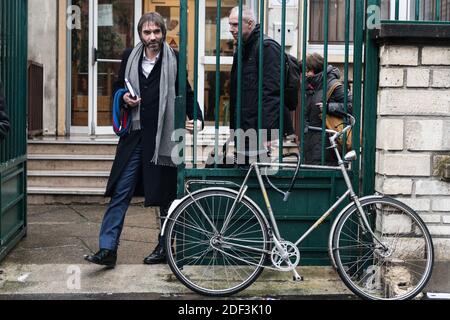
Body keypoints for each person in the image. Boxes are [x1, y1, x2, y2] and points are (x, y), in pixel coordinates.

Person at [84, 12, 203, 268]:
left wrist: (198, 118)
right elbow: (118, 86)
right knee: (121, 190)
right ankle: (107, 249)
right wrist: (124, 98)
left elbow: (187, 92)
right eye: (147, 33)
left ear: (163, 33)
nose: (152, 37)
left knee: (165, 195)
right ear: (141, 34)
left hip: (164, 138)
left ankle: (163, 247)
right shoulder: (130, 56)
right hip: (135, 137)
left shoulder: (174, 59)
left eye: (156, 32)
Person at [228, 6, 294, 165]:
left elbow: (272, 94)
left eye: (235, 25)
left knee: (259, 180)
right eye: (230, 24)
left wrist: (267, 135)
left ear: (250, 23)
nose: (231, 29)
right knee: (244, 178)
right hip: (243, 129)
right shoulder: (242, 49)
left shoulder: (266, 47)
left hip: (258, 132)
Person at [304, 53, 353, 165]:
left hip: (327, 144)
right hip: (312, 143)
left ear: (315, 69)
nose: (306, 74)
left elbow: (352, 105)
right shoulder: (313, 87)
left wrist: (329, 107)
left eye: (308, 71)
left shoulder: (333, 85)